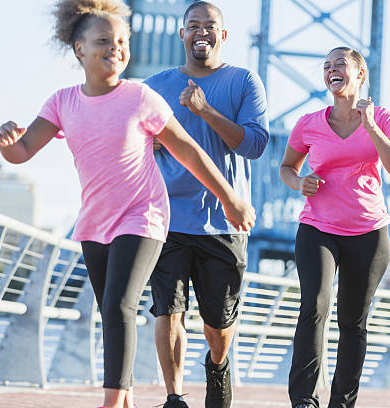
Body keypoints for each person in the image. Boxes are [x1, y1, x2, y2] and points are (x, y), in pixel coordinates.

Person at [0, 1, 255, 407]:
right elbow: (24, 151)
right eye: (103, 41)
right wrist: (8, 142)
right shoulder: (63, 102)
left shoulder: (141, 97)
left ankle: (113, 400)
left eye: (122, 41)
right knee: (111, 311)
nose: (115, 48)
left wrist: (230, 199)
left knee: (120, 304)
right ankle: (128, 395)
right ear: (79, 49)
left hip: (145, 216)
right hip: (95, 224)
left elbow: (188, 152)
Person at [143, 2, 269, 408]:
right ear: (181, 34)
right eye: (193, 25)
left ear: (223, 35)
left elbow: (254, 145)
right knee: (168, 309)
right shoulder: (154, 86)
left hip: (224, 222)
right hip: (168, 217)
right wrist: (151, 141)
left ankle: (217, 365)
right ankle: (175, 396)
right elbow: (127, 141)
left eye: (210, 26)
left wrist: (205, 111)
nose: (201, 32)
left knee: (218, 323)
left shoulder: (244, 81)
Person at [279, 46, 390, 408]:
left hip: (368, 233)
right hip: (318, 229)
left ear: (360, 74)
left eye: (341, 64)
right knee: (314, 306)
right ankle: (304, 399)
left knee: (352, 321)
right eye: (326, 66)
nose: (332, 70)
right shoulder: (308, 123)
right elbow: (287, 167)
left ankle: (342, 402)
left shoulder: (382, 118)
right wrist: (298, 182)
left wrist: (370, 127)